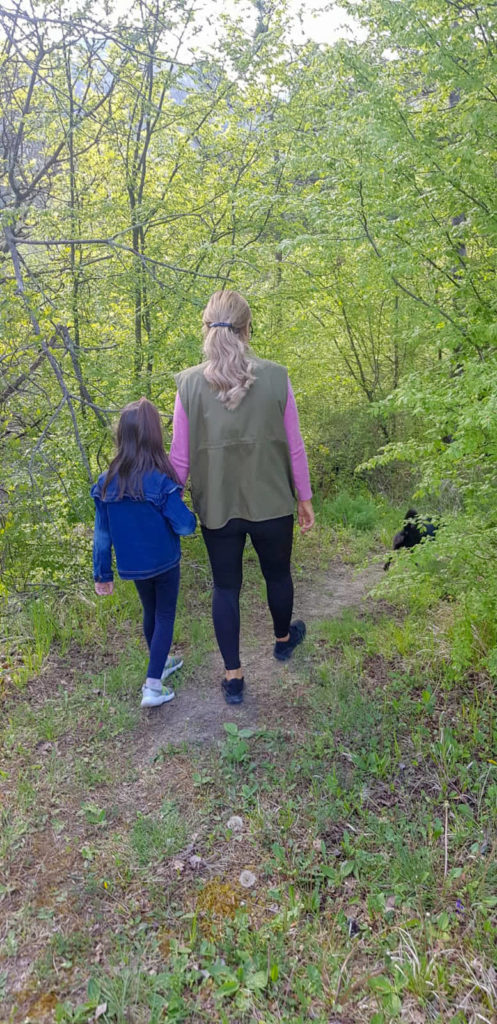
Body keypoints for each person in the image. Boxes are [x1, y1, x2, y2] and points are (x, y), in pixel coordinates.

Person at [169, 289, 314, 706]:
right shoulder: (276, 377)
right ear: (248, 329)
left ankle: (233, 678)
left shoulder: (189, 384)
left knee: (225, 587)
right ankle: (283, 641)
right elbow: (295, 446)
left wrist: (169, 506)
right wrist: (304, 497)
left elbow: (179, 459)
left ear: (206, 328)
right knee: (278, 574)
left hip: (217, 505)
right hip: (272, 501)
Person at [91, 398, 196, 708]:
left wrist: (102, 573)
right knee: (164, 615)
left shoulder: (106, 482)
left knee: (151, 611)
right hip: (164, 561)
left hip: (133, 565)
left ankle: (159, 663)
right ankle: (152, 685)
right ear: (154, 435)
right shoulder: (159, 481)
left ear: (121, 435)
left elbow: (102, 533)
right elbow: (185, 526)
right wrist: (188, 510)